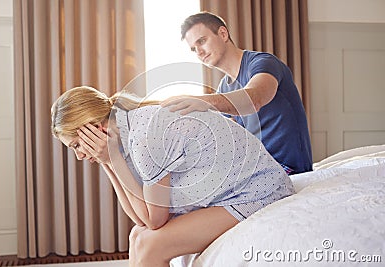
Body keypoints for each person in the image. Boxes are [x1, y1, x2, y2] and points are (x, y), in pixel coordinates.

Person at [51, 86, 295, 267]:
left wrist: (111, 160)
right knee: (137, 236)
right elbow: (142, 221)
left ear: (95, 128)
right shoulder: (126, 132)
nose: (80, 156)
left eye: (75, 146)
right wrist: (108, 161)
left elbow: (155, 221)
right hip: (230, 192)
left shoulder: (144, 137)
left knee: (151, 245)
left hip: (258, 192)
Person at [161, 11, 312, 175]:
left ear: (223, 34)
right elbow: (229, 138)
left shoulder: (263, 63)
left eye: (202, 41)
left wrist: (203, 101)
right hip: (258, 170)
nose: (199, 52)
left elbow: (254, 98)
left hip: (288, 169)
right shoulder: (224, 88)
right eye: (193, 49)